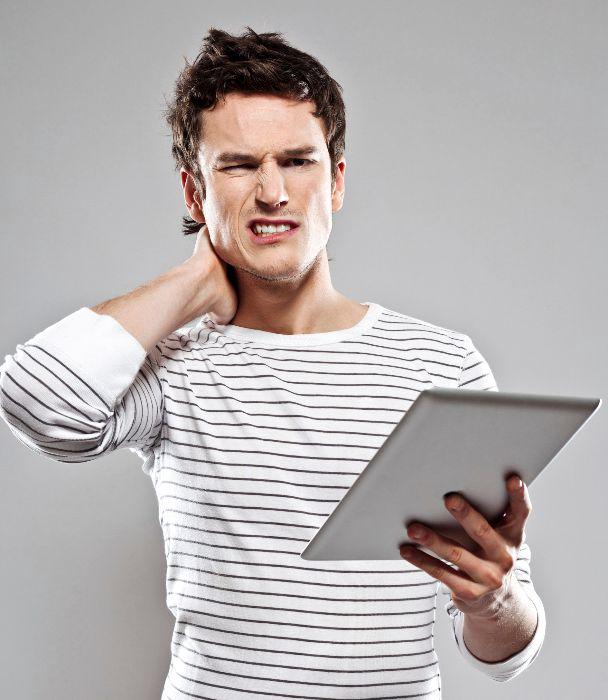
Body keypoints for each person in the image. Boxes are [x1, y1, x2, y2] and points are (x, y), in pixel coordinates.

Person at [0, 26, 545, 700]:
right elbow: (36, 405)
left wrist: (492, 600)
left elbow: (506, 655)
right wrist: (194, 283)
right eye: (237, 165)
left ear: (336, 180)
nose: (272, 192)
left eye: (297, 160)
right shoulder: (174, 366)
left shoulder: (443, 364)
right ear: (194, 193)